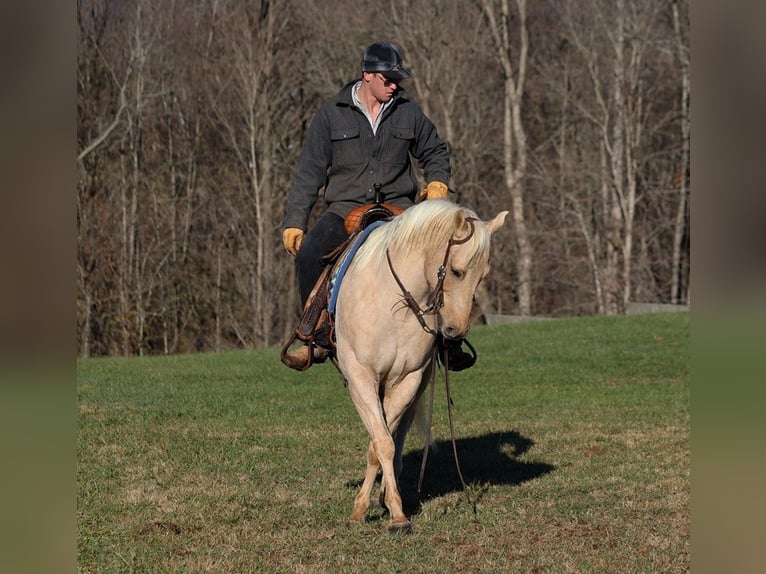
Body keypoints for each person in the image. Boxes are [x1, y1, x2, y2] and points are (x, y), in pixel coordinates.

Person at [281, 41, 473, 371]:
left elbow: (435, 152)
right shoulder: (330, 115)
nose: (394, 85)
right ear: (367, 75)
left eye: (397, 80)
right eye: (388, 79)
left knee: (443, 256)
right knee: (311, 251)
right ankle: (316, 338)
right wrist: (295, 221)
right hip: (345, 208)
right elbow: (309, 172)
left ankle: (447, 342)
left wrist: (437, 181)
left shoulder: (408, 113)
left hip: (400, 209)